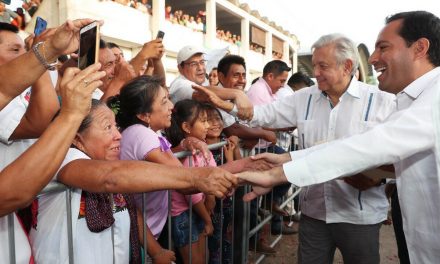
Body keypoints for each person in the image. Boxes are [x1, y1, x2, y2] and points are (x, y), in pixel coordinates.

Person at [239, 11, 440, 263]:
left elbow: (369, 148)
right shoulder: (417, 99)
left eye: (383, 47)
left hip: (361, 215)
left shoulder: (422, 100)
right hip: (316, 212)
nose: (374, 57)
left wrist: (280, 172)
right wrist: (290, 159)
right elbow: (360, 149)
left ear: (420, 48)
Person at [29, 99, 238, 263]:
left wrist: (155, 252)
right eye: (107, 127)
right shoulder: (65, 157)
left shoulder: (110, 164)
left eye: (116, 126)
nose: (118, 135)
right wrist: (193, 176)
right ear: (76, 138)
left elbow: (129, 209)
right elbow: (109, 178)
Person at [115, 75, 177, 263]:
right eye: (164, 101)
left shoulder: (146, 132)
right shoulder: (142, 134)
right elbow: (184, 176)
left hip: (145, 232)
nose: (172, 106)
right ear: (144, 115)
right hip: (141, 238)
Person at [246, 60, 296, 237]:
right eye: (281, 81)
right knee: (251, 192)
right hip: (256, 149)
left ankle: (269, 200)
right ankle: (253, 237)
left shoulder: (268, 90)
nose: (282, 86)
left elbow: (274, 118)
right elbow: (262, 121)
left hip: (264, 147)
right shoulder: (259, 91)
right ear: (270, 76)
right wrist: (282, 127)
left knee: (291, 167)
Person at [166, 99, 215, 264]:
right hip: (183, 214)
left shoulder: (201, 148)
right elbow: (191, 196)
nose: (208, 125)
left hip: (198, 209)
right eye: (203, 121)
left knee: (202, 257)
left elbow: (214, 171)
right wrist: (208, 218)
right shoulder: (187, 155)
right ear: (186, 127)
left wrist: (211, 197)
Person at [168, 45, 253, 121]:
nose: (200, 68)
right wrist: (238, 94)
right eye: (193, 64)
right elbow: (202, 92)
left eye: (202, 62)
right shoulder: (179, 85)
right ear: (180, 68)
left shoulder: (202, 81)